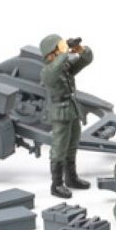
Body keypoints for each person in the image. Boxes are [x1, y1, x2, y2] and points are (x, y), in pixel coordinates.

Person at [39, 34, 93, 198]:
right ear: (51, 54)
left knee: (73, 144)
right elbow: (55, 69)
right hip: (60, 112)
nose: (63, 50)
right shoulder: (48, 71)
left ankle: (71, 178)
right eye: (59, 48)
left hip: (71, 109)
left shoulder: (63, 66)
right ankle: (56, 184)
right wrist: (64, 52)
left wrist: (80, 50)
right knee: (59, 148)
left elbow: (86, 60)